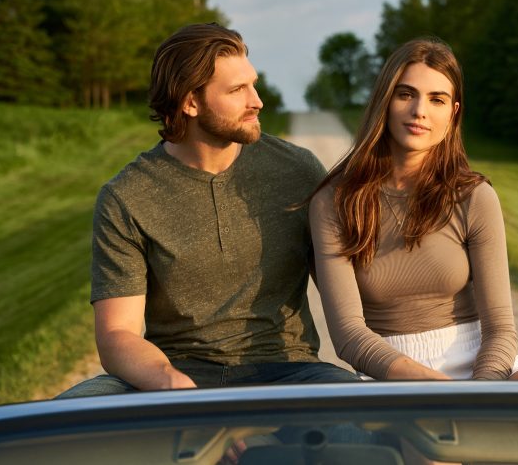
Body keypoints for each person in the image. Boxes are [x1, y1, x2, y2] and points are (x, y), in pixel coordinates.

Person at [59, 23, 359, 398]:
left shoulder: (297, 170)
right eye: (237, 90)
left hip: (288, 371)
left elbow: (351, 284)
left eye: (253, 84)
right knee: (58, 422)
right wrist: (171, 384)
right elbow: (117, 333)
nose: (257, 101)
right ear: (190, 102)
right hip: (173, 372)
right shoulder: (126, 196)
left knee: (356, 422)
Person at [309, 38, 518, 382]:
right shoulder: (335, 201)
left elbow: (501, 328)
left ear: (453, 113)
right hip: (389, 376)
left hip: (481, 370)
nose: (420, 111)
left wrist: (479, 391)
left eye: (436, 100)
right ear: (385, 101)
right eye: (406, 94)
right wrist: (438, 391)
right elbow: (349, 336)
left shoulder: (474, 196)